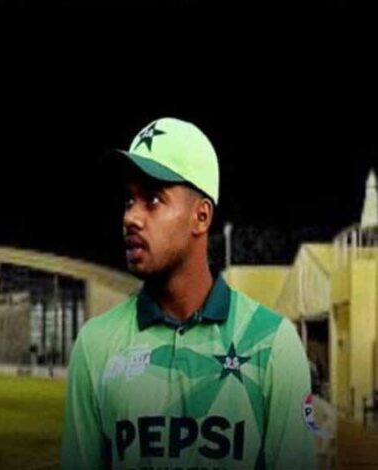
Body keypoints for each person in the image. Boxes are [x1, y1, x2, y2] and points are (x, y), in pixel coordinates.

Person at [61, 118, 316, 469]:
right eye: (129, 200)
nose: (131, 217)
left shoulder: (272, 344)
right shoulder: (95, 346)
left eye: (153, 199)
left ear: (201, 216)